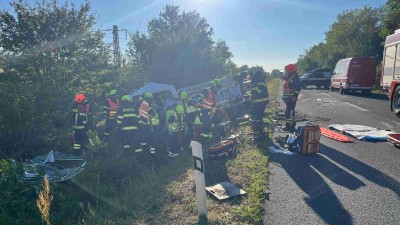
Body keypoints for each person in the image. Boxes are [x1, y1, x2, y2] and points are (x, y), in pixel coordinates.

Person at [282, 64, 301, 132]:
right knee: (290, 112)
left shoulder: (295, 77)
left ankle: (289, 127)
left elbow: (298, 87)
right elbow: (288, 86)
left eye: (286, 70)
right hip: (289, 98)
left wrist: (295, 96)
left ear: (290, 70)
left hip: (292, 98)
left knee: (289, 113)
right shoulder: (292, 76)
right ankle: (291, 125)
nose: (286, 72)